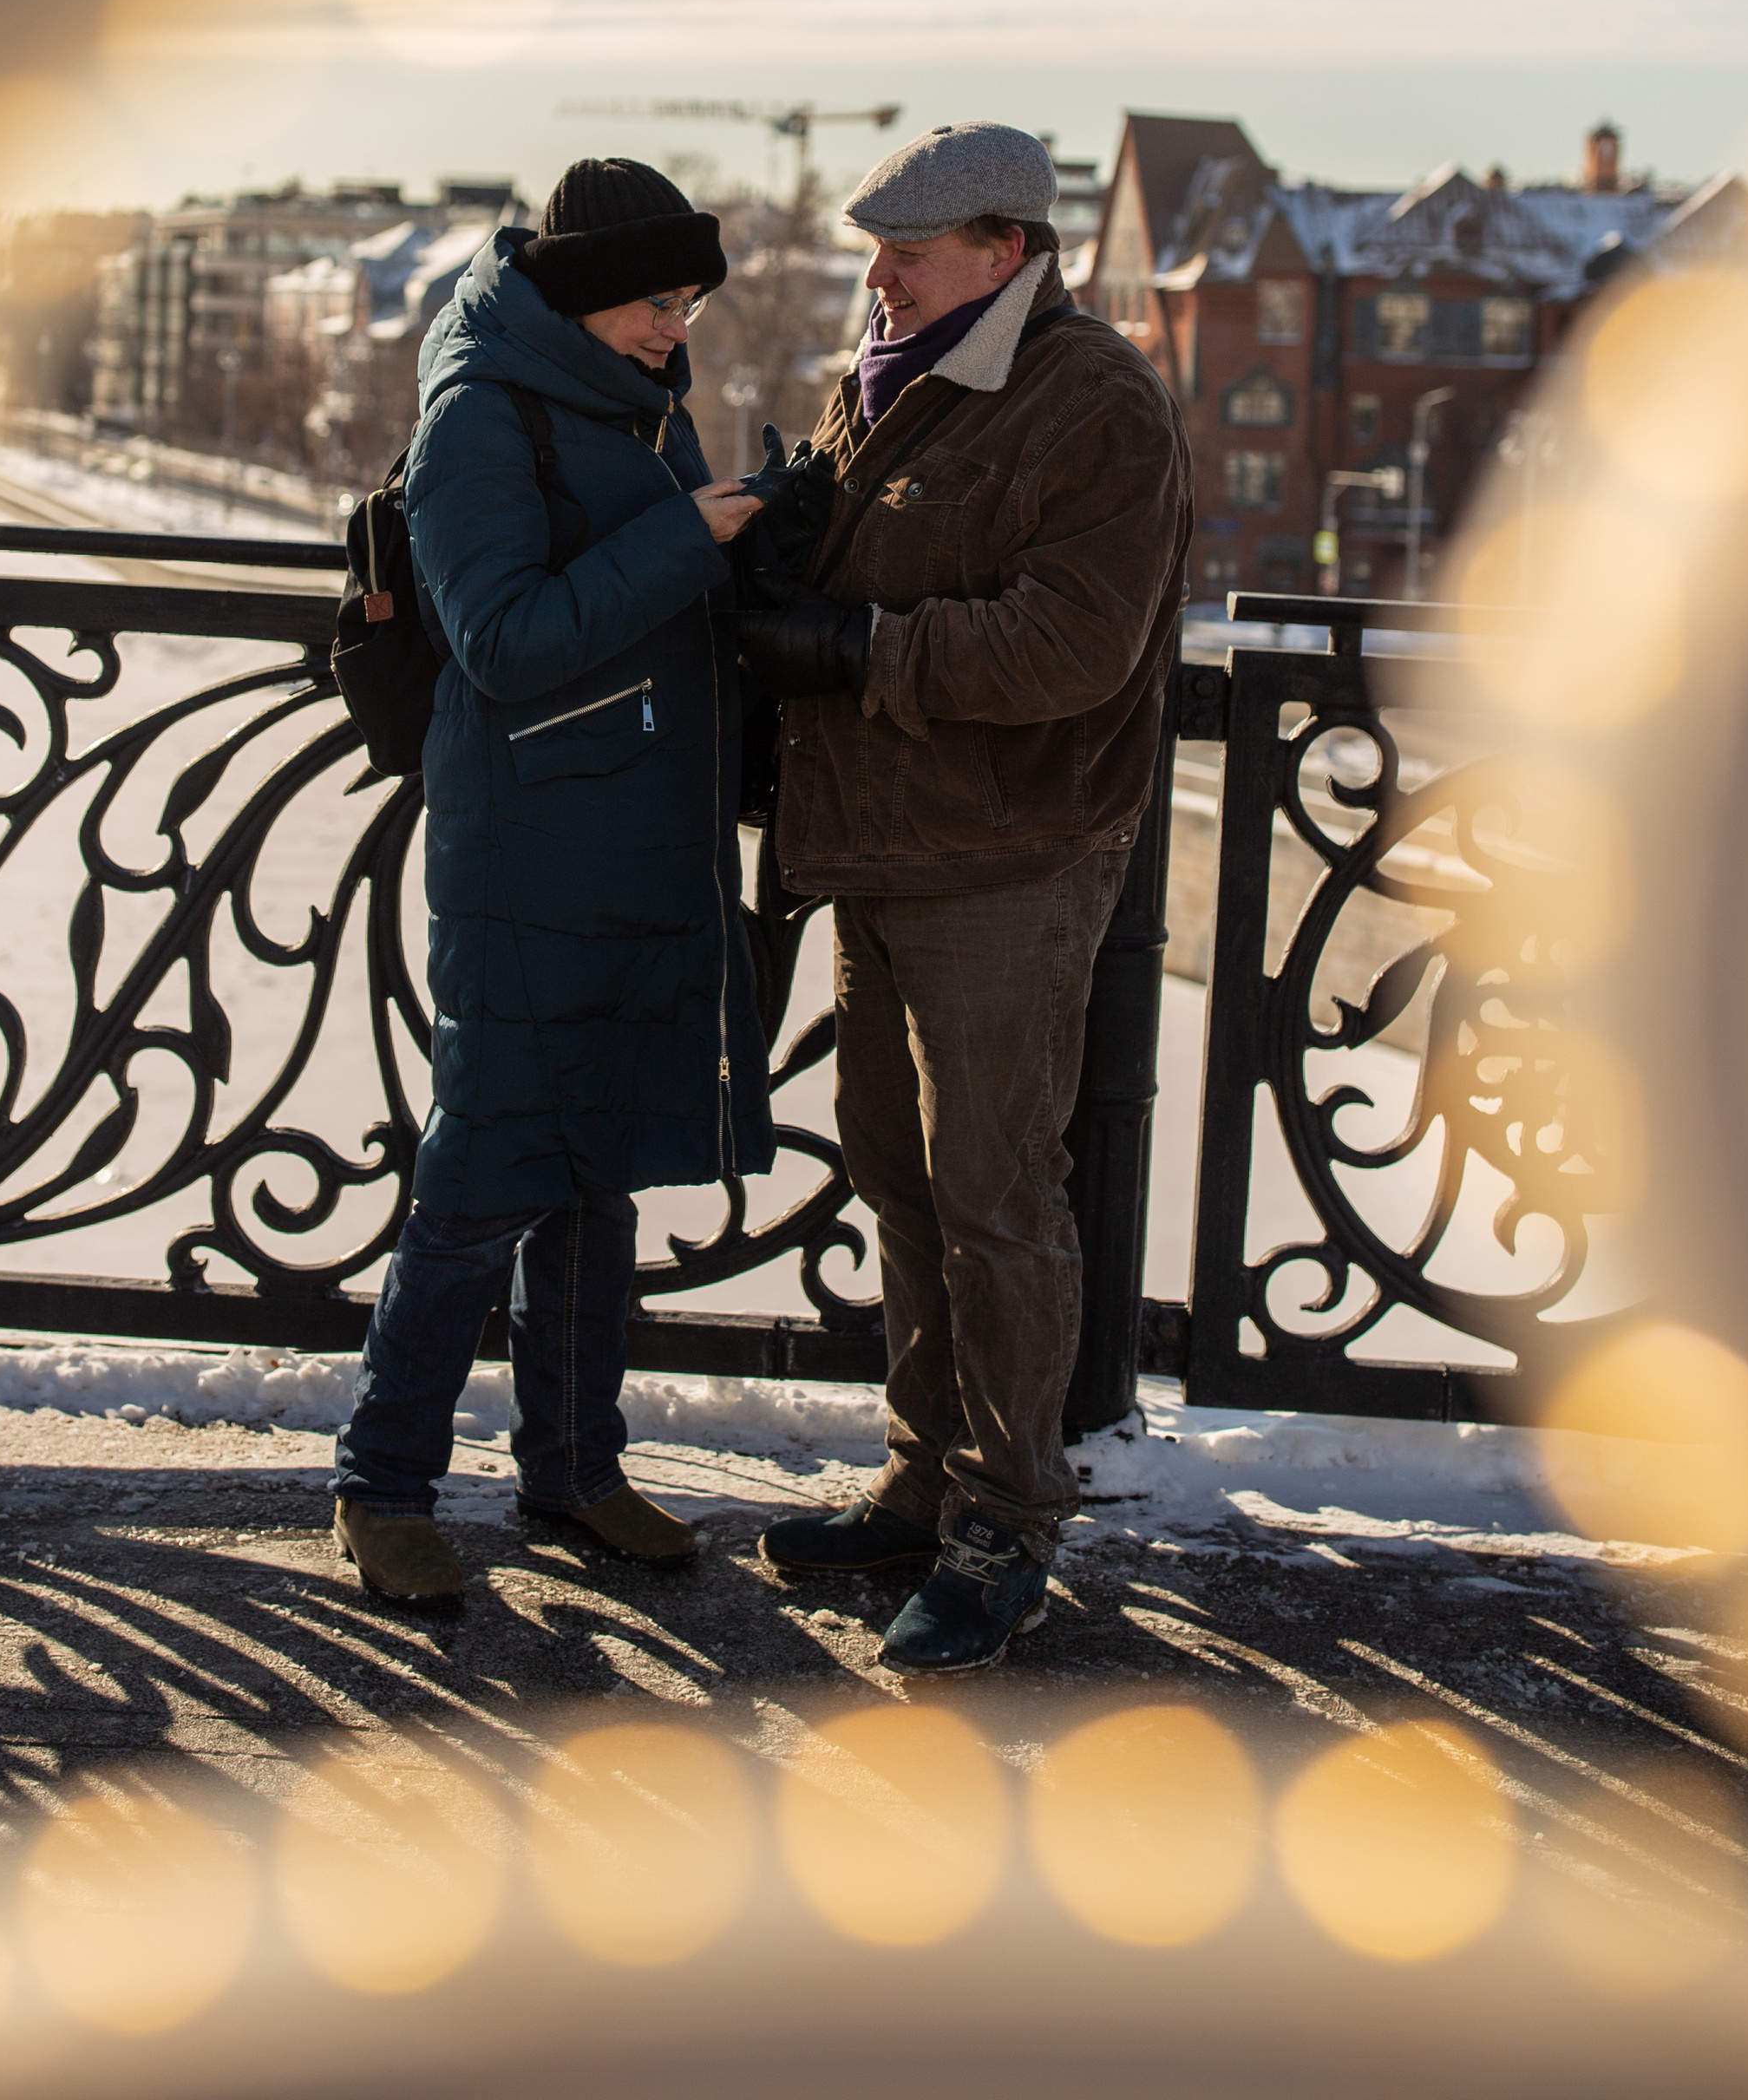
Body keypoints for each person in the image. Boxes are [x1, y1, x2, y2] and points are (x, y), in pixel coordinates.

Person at [737, 120, 1191, 1675]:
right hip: (878, 840)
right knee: (901, 1172)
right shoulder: (890, 364)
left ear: (1008, 251)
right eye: (878, 247)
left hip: (1008, 857)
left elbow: (1073, 644)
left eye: (911, 251)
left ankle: (1008, 1515)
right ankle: (924, 1478)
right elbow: (877, 543)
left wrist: (859, 651)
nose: (881, 273)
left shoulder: (1097, 398)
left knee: (997, 1192)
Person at [333, 158, 773, 1607]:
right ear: (586, 295)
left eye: (689, 300)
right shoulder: (480, 414)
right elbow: (503, 640)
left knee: (597, 1177)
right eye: (657, 299)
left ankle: (576, 1469)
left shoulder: (631, 397)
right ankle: (384, 1484)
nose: (676, 325)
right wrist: (682, 537)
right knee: (481, 1181)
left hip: (636, 842)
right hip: (528, 853)